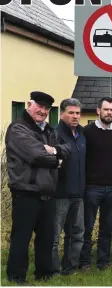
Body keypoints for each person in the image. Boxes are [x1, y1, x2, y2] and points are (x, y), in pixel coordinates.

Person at [5, 91, 71, 284]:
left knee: (46, 237)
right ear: (29, 104)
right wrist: (55, 159)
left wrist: (54, 150)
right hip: (25, 191)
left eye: (46, 108)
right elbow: (35, 156)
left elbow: (66, 149)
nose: (42, 111)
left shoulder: (49, 130)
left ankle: (45, 273)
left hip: (47, 191)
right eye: (39, 107)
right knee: (21, 237)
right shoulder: (18, 128)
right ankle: (16, 276)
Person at [79, 97, 112, 270]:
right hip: (92, 187)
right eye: (106, 110)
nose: (109, 113)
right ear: (98, 111)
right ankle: (85, 261)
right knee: (87, 227)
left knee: (106, 228)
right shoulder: (87, 131)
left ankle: (103, 261)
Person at [51, 99, 86, 276]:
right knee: (54, 236)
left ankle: (70, 268)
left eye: (77, 113)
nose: (75, 116)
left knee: (77, 233)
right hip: (60, 194)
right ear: (62, 113)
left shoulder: (82, 135)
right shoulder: (55, 134)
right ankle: (53, 270)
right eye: (71, 113)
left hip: (79, 194)